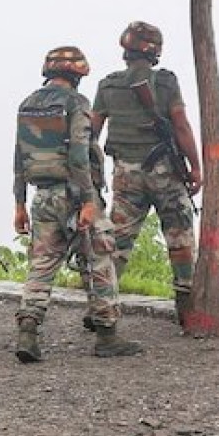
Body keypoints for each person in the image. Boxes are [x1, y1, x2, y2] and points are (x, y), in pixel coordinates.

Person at [12, 47, 143, 362]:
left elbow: (19, 156)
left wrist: (19, 203)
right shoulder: (76, 104)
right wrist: (87, 201)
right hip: (75, 194)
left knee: (42, 265)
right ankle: (107, 336)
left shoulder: (27, 104)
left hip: (41, 196)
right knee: (99, 259)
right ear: (78, 74)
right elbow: (79, 156)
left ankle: (28, 332)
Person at [91, 21, 202, 326]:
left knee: (119, 241)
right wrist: (195, 166)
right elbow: (180, 125)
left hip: (125, 174)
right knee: (179, 238)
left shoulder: (109, 85)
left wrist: (92, 174)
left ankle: (102, 305)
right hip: (165, 171)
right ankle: (186, 307)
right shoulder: (165, 83)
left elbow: (92, 133)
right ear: (155, 52)